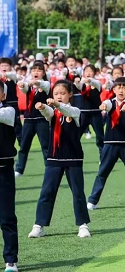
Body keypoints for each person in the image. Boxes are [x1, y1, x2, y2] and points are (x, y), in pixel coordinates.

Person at [28, 80, 91, 239]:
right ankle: (39, 225)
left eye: (63, 93)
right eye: (56, 93)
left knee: (78, 192)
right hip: (54, 158)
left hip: (73, 157)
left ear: (70, 94)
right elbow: (48, 112)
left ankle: (83, 225)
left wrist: (56, 104)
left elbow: (66, 110)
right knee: (47, 191)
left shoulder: (75, 111)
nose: (59, 96)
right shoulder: (53, 112)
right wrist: (42, 107)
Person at [87, 76, 125, 211]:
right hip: (110, 143)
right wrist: (104, 106)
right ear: (113, 89)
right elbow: (106, 104)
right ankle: (92, 201)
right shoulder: (110, 102)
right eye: (118, 87)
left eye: (124, 88)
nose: (121, 90)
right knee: (102, 172)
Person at [15, 62, 51, 177]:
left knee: (45, 146)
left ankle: (50, 168)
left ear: (43, 73)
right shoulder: (29, 85)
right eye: (34, 70)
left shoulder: (46, 84)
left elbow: (40, 83)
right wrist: (22, 85)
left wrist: (33, 82)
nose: (36, 72)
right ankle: (19, 169)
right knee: (24, 146)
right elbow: (24, 88)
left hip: (42, 119)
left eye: (39, 70)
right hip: (29, 119)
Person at [0, 85, 19, 272]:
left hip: (3, 171)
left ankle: (11, 261)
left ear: (3, 95)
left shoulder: (9, 111)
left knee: (7, 217)